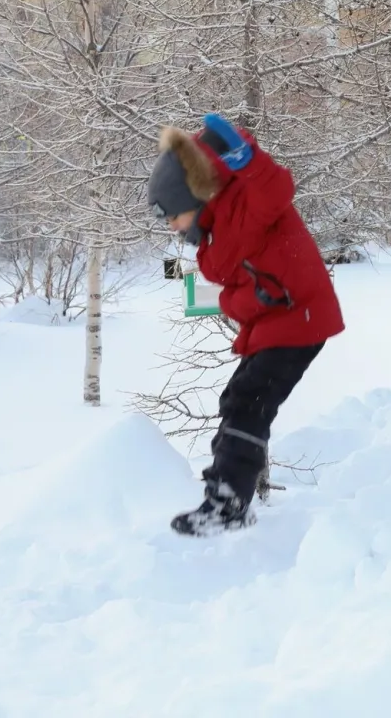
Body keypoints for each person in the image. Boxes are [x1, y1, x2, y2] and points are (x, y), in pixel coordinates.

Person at [147, 114, 344, 535]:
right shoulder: (217, 228)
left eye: (172, 215)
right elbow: (243, 284)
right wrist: (237, 299)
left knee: (249, 402)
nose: (171, 226)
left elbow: (275, 189)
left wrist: (246, 158)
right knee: (237, 400)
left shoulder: (244, 203)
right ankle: (228, 490)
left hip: (299, 320)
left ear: (191, 199)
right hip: (277, 323)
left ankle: (229, 504)